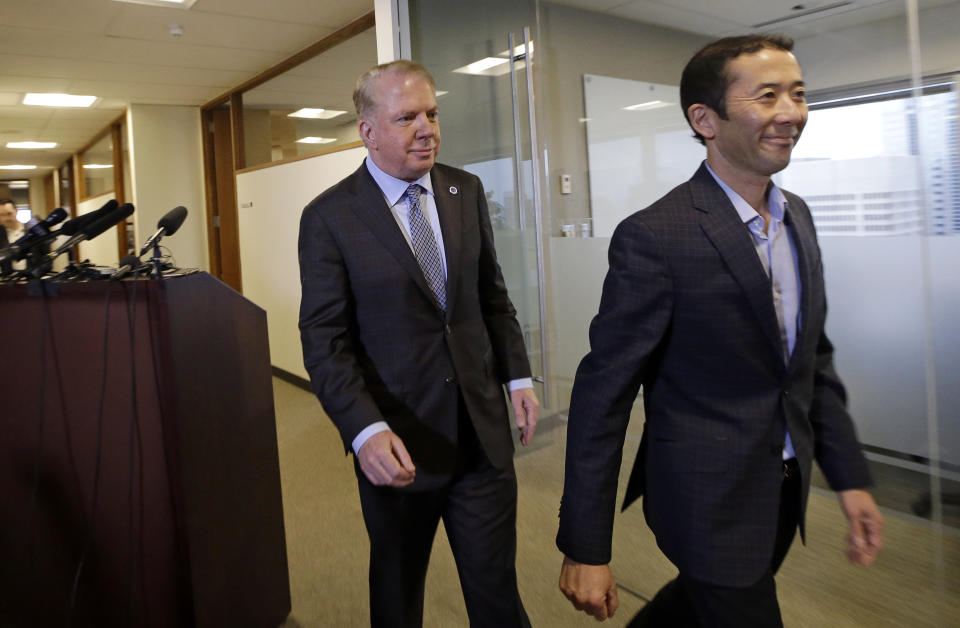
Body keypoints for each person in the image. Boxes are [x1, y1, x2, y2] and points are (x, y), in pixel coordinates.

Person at [556, 34, 884, 626]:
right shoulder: (657, 235)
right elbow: (603, 397)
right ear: (704, 119)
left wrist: (851, 478)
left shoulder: (797, 218)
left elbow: (812, 363)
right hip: (704, 498)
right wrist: (586, 544)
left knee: (696, 605)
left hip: (784, 487)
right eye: (767, 96)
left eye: (798, 94)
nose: (791, 113)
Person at [298, 60, 539, 628]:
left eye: (432, 113)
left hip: (481, 435)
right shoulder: (330, 217)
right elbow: (324, 338)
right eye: (407, 117)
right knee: (398, 594)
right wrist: (364, 430)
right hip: (398, 445)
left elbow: (490, 297)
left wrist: (518, 376)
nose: (427, 128)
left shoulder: (464, 189)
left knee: (497, 595)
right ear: (368, 131)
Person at [1, 199, 26, 274]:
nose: (6, 218)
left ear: (16, 211)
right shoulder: (0, 235)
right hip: (9, 282)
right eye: (2, 215)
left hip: (32, 281)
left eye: (9, 214)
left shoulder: (29, 230)